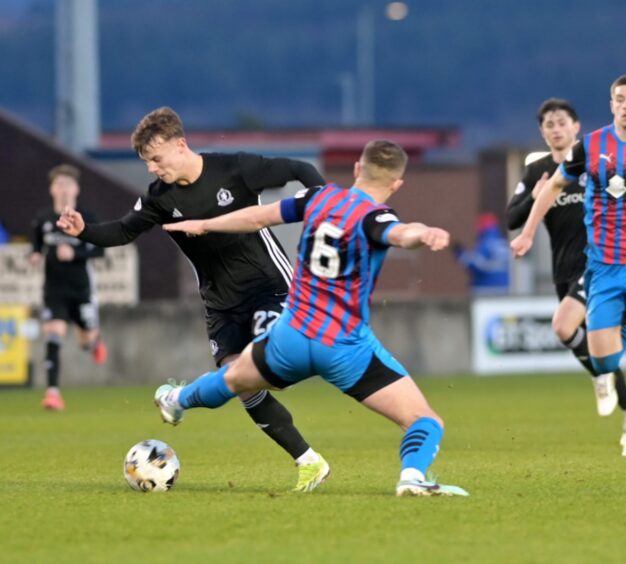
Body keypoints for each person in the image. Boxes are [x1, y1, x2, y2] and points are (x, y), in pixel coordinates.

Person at [153, 140, 468, 497]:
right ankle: (411, 476)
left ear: (356, 169)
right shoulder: (376, 216)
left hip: (291, 338)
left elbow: (257, 216)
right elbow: (398, 233)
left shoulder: (318, 198)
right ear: (396, 185)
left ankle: (175, 400)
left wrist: (207, 224)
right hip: (343, 348)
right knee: (425, 421)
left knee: (231, 380)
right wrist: (421, 234)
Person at [57, 107, 329, 492]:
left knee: (268, 373)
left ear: (180, 145)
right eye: (146, 162)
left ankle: (178, 398)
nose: (152, 168)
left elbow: (298, 169)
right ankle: (309, 462)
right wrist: (84, 230)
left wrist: (323, 206)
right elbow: (121, 231)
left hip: (268, 286)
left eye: (156, 158)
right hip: (220, 304)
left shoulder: (235, 169)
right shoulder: (159, 197)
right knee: (244, 386)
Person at [511, 75, 626, 456]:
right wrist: (528, 233)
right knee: (604, 360)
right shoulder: (590, 147)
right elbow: (554, 187)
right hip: (603, 270)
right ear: (611, 105)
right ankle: (610, 358)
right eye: (619, 99)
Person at [506, 98, 626, 420]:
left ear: (576, 127)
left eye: (562, 123)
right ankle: (615, 387)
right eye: (549, 125)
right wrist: (535, 196)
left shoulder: (596, 164)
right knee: (591, 339)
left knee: (563, 328)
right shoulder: (537, 171)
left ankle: (607, 379)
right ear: (542, 132)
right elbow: (511, 218)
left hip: (598, 264)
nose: (556, 129)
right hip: (562, 268)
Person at [29, 164, 108, 411]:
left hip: (81, 290)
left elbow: (99, 249)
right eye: (58, 184)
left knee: (85, 341)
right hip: (54, 290)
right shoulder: (43, 219)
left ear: (76, 188)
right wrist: (34, 255)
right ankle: (53, 393)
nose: (63, 189)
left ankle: (94, 343)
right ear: (52, 189)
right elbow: (36, 245)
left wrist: (73, 252)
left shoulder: (87, 217)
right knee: (53, 335)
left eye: (67, 184)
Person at [452, 213, 510, 294]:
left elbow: (477, 266)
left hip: (486, 288)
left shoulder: (486, 244)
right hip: (505, 288)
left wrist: (461, 254)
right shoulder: (504, 244)